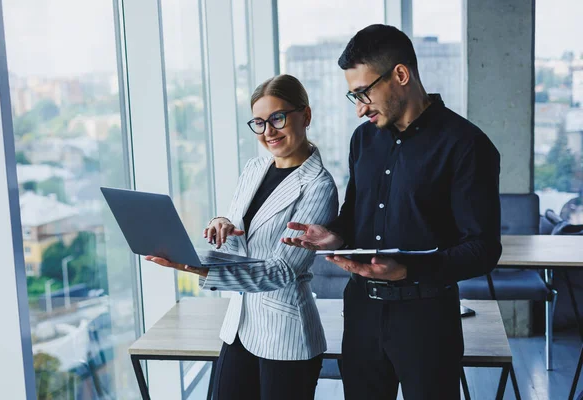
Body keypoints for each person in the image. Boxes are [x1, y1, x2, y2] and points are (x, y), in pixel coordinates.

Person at [282, 24, 501, 400]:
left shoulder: (467, 145)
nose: (360, 108)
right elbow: (354, 216)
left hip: (427, 319)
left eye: (364, 93)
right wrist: (334, 235)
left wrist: (409, 269)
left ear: (400, 75)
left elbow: (483, 249)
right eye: (353, 96)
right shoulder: (363, 139)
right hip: (362, 313)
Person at [147, 74, 338, 400]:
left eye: (277, 118)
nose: (268, 132)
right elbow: (240, 242)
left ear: (305, 116)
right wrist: (220, 223)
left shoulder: (318, 185)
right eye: (259, 123)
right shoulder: (254, 168)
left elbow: (282, 271)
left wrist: (198, 269)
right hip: (239, 327)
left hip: (286, 335)